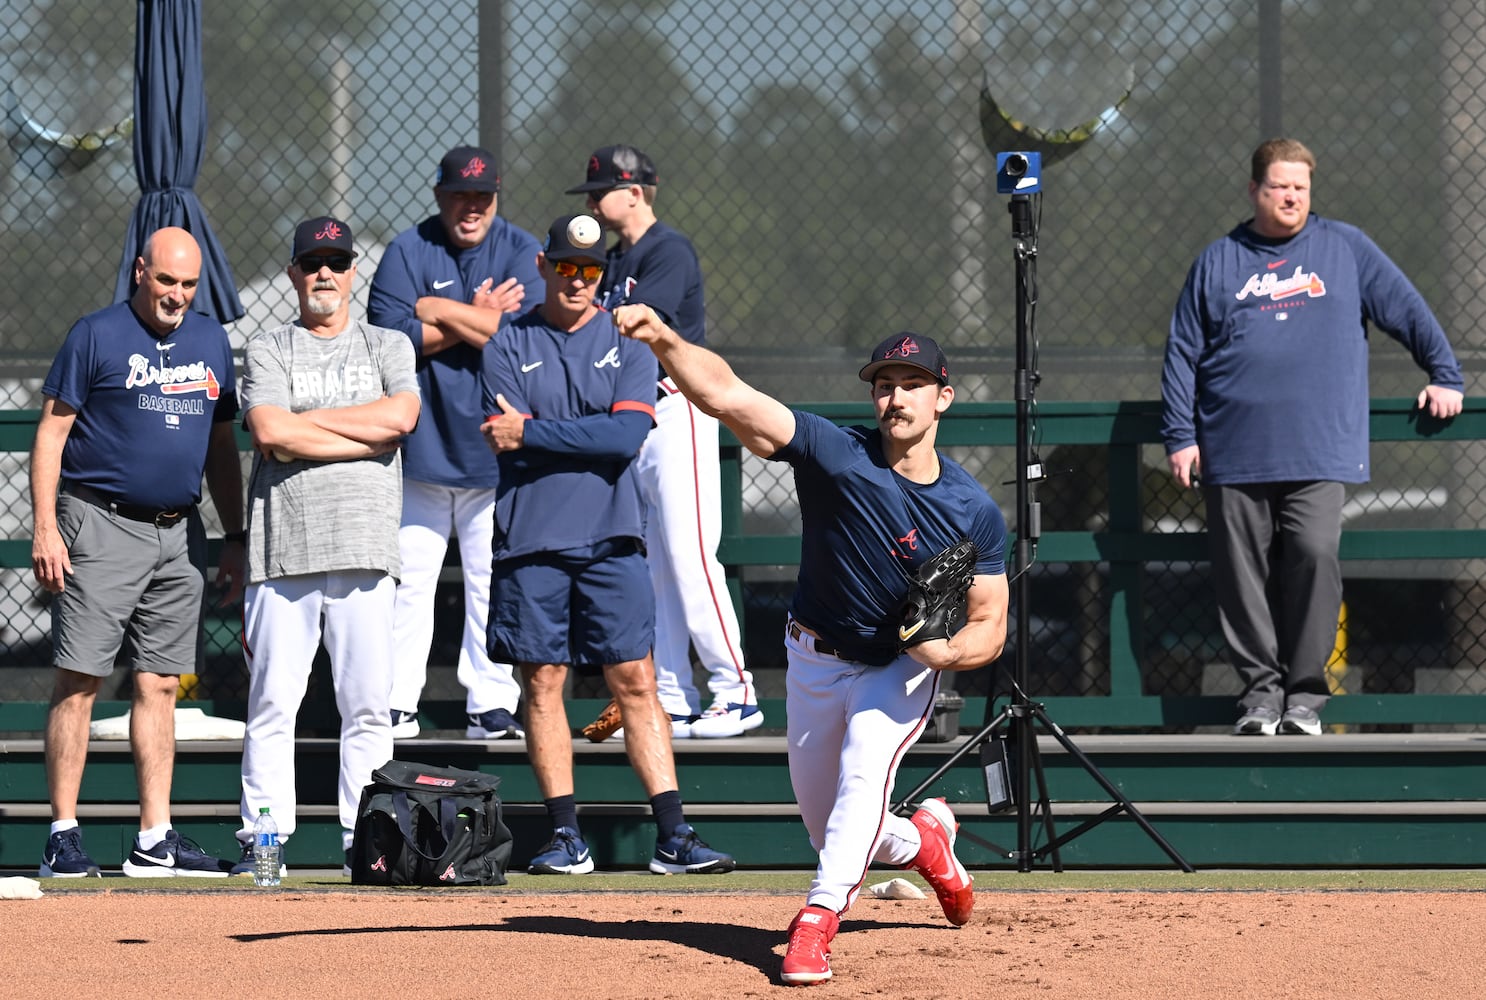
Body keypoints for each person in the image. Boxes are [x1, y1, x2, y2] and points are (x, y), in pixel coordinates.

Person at [614, 308, 1008, 985]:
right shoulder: (835, 453)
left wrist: (945, 656)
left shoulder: (971, 510)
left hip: (898, 667)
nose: (896, 396)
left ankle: (815, 923)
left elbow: (990, 621)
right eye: (885, 383)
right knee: (838, 830)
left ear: (943, 397)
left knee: (863, 774)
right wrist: (662, 340)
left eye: (913, 383)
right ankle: (928, 844)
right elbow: (729, 394)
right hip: (813, 657)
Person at [1162, 137, 1464, 737]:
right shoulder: (1218, 261)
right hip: (1234, 450)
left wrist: (1445, 375)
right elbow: (1182, 354)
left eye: (1302, 186)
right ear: (1255, 190)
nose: (1292, 196)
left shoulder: (1345, 249)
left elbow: (1407, 309)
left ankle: (1304, 696)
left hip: (1320, 450)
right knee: (1240, 576)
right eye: (1280, 186)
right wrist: (1180, 434)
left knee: (1315, 555)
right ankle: (1259, 697)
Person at [479, 213, 734, 876]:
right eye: (565, 266)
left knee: (637, 682)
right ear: (542, 267)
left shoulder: (630, 341)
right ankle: (566, 836)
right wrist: (581, 432)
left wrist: (533, 434)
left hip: (613, 539)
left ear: (604, 275)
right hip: (530, 539)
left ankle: (674, 834)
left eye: (590, 270)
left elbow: (625, 440)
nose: (577, 279)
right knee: (543, 682)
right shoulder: (505, 342)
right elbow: (511, 434)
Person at [30, 226, 245, 877]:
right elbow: (52, 432)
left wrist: (234, 537)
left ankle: (155, 837)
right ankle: (63, 835)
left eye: (188, 284)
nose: (177, 295)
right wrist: (46, 526)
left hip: (180, 535)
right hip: (100, 523)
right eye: (166, 281)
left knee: (159, 683)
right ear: (140, 274)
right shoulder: (95, 334)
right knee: (81, 679)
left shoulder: (211, 341)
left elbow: (221, 448)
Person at [233, 216, 420, 874]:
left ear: (351, 273)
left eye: (336, 262)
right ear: (292, 273)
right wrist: (360, 436)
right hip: (284, 553)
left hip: (366, 551)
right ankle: (264, 841)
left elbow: (400, 419)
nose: (324, 273)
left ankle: (363, 843)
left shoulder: (387, 344)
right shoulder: (269, 348)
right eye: (312, 261)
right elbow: (270, 434)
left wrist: (305, 426)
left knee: (368, 709)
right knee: (272, 705)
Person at [567, 144, 757, 739]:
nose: (594, 202)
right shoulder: (618, 256)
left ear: (636, 191)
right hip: (635, 423)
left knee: (691, 558)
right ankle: (672, 697)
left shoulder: (667, 249)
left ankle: (737, 692)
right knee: (652, 569)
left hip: (679, 409)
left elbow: (639, 322)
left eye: (601, 191)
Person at [368, 145, 540, 741]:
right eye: (461, 195)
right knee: (408, 582)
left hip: (495, 450)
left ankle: (490, 703)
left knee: (490, 581)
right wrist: (476, 318)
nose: (471, 208)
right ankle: (395, 702)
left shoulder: (518, 247)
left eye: (482, 196)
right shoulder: (407, 249)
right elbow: (388, 340)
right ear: (440, 195)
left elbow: (520, 337)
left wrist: (437, 308)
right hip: (420, 450)